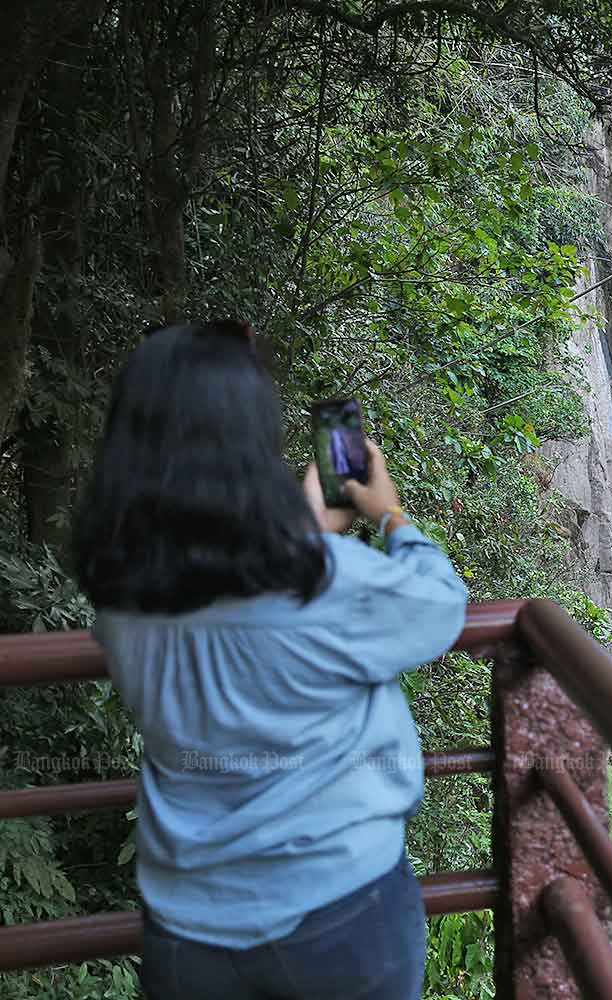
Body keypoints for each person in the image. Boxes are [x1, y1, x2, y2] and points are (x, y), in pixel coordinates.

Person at [73, 321, 469, 1000]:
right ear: (250, 445)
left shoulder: (121, 602)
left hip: (186, 932)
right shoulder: (324, 579)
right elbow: (439, 606)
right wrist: (391, 515)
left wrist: (302, 534)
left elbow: (217, 593)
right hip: (341, 913)